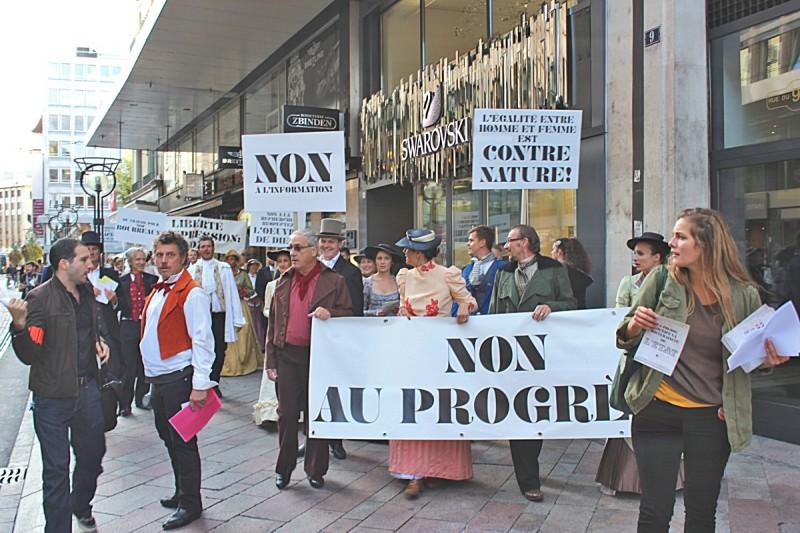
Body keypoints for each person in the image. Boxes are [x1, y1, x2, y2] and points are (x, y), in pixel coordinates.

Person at [617, 208, 789, 532]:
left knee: (700, 512)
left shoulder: (743, 294)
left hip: (711, 418)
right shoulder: (661, 279)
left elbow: (747, 360)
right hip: (657, 409)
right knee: (655, 510)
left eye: (681, 236)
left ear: (706, 245)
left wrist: (768, 360)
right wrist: (635, 326)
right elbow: (624, 334)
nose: (671, 243)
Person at [7, 238, 110, 533]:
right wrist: (19, 326)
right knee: (56, 471)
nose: (90, 264)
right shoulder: (40, 298)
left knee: (93, 454)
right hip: (52, 397)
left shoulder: (87, 290)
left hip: (87, 389)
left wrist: (99, 342)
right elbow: (29, 355)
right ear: (64, 264)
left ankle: (81, 503)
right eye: (83, 260)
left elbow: (91, 326)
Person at [488, 224, 576, 502]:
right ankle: (528, 479)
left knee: (535, 411)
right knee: (518, 414)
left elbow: (571, 304)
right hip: (511, 355)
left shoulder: (553, 269)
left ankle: (530, 471)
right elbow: (493, 311)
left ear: (524, 242)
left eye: (510, 241)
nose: (505, 246)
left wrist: (552, 307)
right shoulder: (502, 271)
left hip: (544, 356)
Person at [392, 228, 477, 499]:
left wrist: (464, 308)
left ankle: (441, 468)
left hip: (439, 352)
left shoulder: (448, 274)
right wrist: (402, 310)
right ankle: (413, 473)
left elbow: (469, 300)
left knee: (438, 405)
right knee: (410, 405)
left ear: (419, 253)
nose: (404, 253)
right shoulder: (404, 276)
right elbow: (402, 306)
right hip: (409, 350)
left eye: (408, 249)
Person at [138, 231, 216, 530]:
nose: (163, 261)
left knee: (184, 442)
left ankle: (191, 504)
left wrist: (200, 384)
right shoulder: (159, 290)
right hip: (159, 380)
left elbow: (203, 341)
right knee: (167, 437)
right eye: (159, 255)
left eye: (170, 255)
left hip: (179, 379)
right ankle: (181, 491)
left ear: (183, 258)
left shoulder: (192, 292)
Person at [265, 230, 352, 490]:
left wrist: (331, 313)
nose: (292, 253)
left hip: (320, 358)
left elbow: (350, 316)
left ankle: (315, 469)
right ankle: (284, 468)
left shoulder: (334, 281)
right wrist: (270, 359)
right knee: (287, 415)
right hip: (287, 355)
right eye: (291, 247)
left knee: (318, 416)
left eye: (298, 248)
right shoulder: (282, 281)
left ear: (313, 250)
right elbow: (273, 323)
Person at [596, 231, 681, 495]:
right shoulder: (628, 283)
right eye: (635, 253)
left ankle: (668, 479)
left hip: (662, 359)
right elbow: (620, 316)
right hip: (634, 356)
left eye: (642, 253)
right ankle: (623, 479)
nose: (636, 257)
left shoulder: (673, 283)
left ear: (658, 257)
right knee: (631, 410)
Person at [316, 218, 362, 460]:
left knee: (336, 391)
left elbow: (355, 309)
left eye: (330, 241)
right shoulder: (310, 268)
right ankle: (314, 439)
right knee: (313, 390)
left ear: (339, 244)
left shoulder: (350, 272)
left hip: (339, 339)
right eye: (323, 241)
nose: (326, 245)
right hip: (314, 340)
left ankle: (336, 440)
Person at [187, 236, 244, 396]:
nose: (206, 249)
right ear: (199, 249)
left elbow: (232, 293)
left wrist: (237, 318)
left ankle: (215, 381)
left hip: (219, 316)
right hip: (201, 317)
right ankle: (201, 382)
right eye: (203, 246)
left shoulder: (223, 268)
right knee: (201, 348)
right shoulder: (192, 270)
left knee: (219, 349)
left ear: (213, 248)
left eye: (209, 246)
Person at [80, 231, 124, 409]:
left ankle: (111, 404)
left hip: (108, 329)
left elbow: (121, 303)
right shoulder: (78, 274)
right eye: (88, 249)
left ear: (100, 252)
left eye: (94, 249)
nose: (91, 253)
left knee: (112, 368)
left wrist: (114, 300)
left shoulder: (110, 274)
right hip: (86, 331)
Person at [115, 246, 158, 415]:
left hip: (146, 326)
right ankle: (125, 404)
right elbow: (116, 304)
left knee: (144, 365)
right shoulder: (121, 281)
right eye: (137, 259)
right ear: (130, 261)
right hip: (128, 326)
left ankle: (141, 398)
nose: (141, 262)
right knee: (128, 367)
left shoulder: (152, 279)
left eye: (143, 259)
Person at [253, 248, 291, 428]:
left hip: (291, 332)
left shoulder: (296, 283)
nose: (283, 264)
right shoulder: (271, 285)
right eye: (280, 262)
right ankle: (270, 411)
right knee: (273, 365)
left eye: (286, 261)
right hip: (275, 330)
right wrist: (277, 314)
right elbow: (265, 308)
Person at [220, 250, 262, 376]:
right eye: (229, 259)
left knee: (245, 331)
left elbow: (251, 290)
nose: (231, 262)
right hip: (227, 306)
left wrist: (243, 291)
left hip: (240, 305)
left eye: (233, 259)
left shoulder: (243, 275)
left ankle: (245, 360)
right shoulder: (223, 273)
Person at [460, 225, 506, 315]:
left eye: (471, 240)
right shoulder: (466, 270)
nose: (467, 244)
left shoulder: (502, 268)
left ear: (482, 243)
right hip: (468, 325)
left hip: (494, 323)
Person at [551, 237, 593, 309]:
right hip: (579, 313)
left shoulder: (554, 273)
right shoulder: (580, 275)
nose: (551, 252)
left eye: (553, 249)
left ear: (559, 252)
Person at [362, 244, 403, 316]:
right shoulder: (367, 283)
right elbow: (360, 311)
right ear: (375, 261)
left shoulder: (398, 281)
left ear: (392, 262)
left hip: (394, 324)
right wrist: (375, 313)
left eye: (386, 258)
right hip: (373, 324)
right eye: (379, 258)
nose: (382, 262)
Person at [245, 258, 266, 352]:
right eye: (252, 266)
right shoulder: (246, 276)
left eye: (255, 266)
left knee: (258, 324)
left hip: (257, 303)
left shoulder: (260, 277)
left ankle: (259, 345)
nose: (253, 268)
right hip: (247, 302)